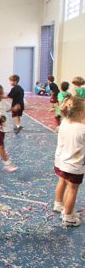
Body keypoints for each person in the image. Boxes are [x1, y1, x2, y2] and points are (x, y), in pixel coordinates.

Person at [53, 96, 85, 227]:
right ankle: (68, 216)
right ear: (80, 113)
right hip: (74, 165)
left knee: (63, 181)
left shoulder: (64, 122)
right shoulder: (82, 129)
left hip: (61, 161)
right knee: (72, 189)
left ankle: (59, 205)